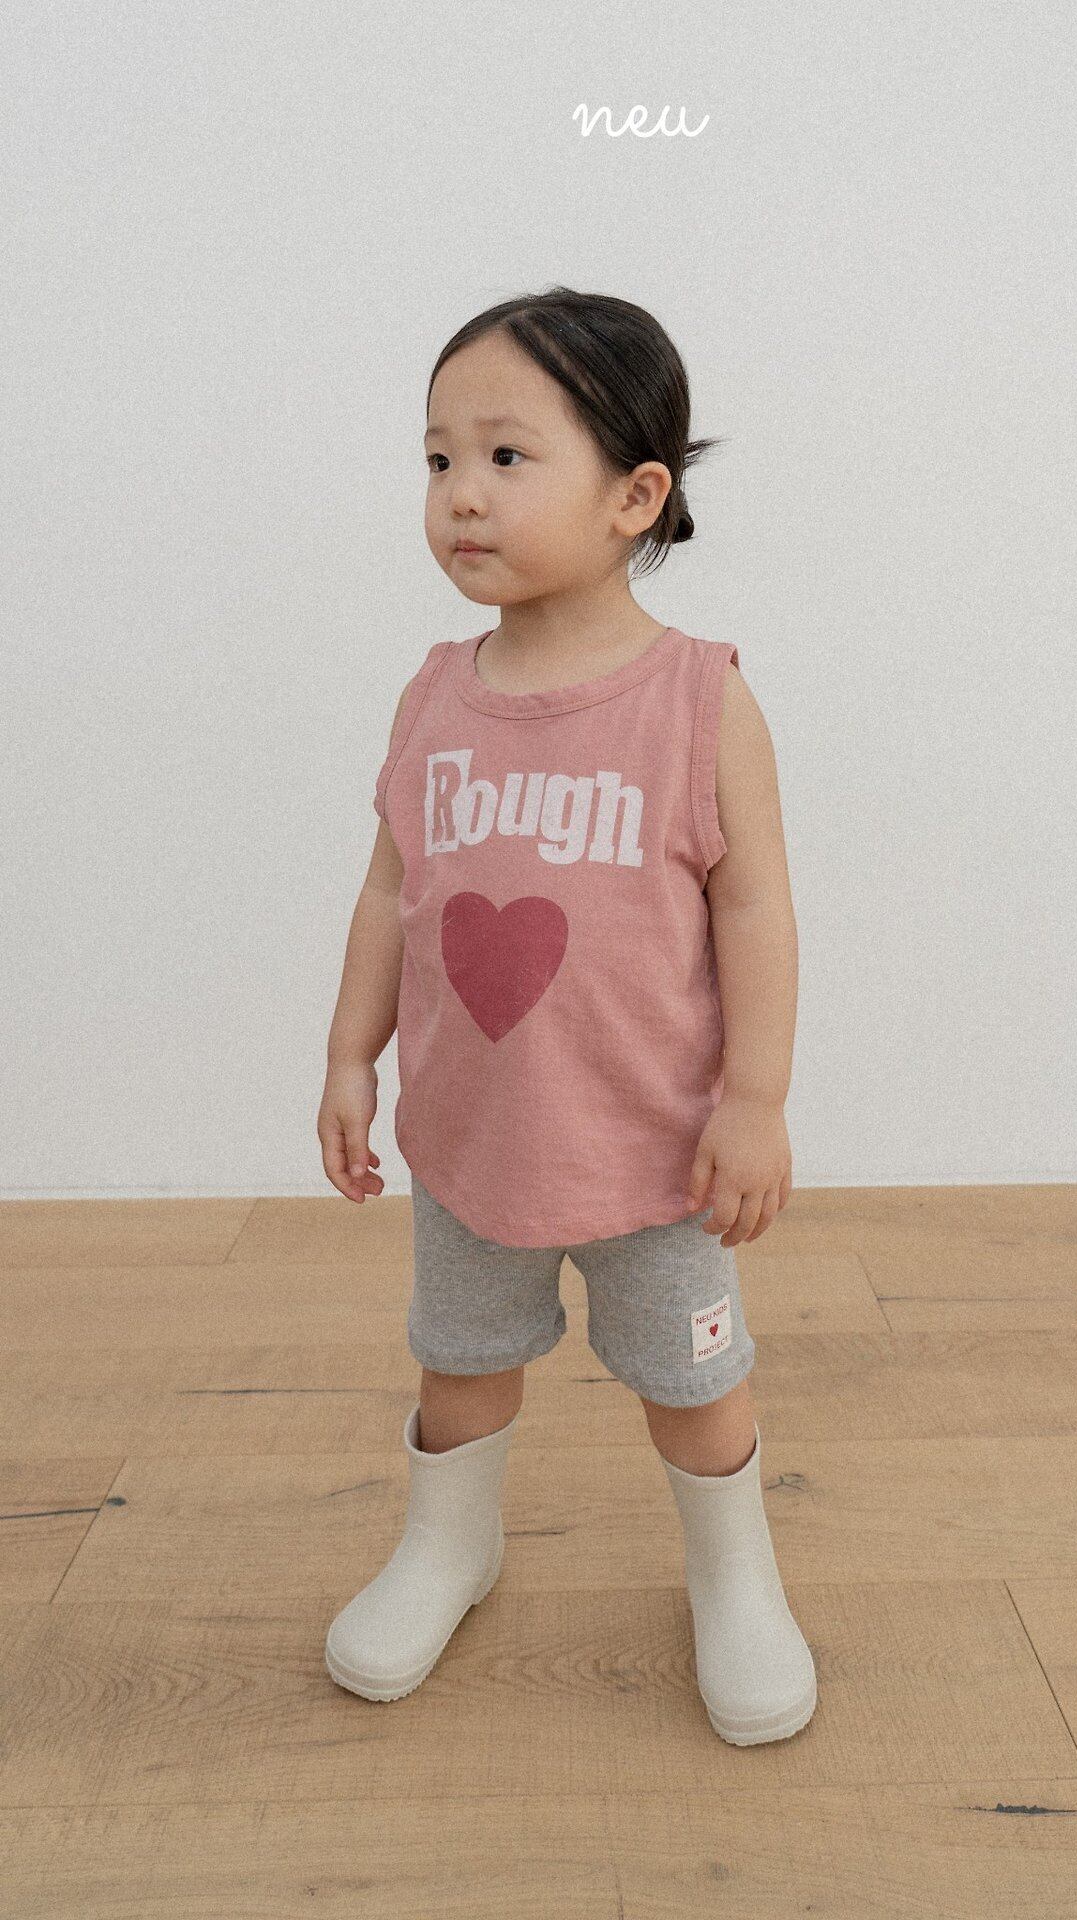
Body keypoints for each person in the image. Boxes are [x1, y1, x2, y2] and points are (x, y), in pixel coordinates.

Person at [318, 286, 816, 1746]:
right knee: (461, 1359)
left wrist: (756, 1101)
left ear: (634, 496)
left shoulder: (699, 702)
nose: (461, 495)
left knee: (694, 1383)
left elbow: (757, 911)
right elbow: (390, 889)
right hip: (472, 1142)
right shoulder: (434, 696)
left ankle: (734, 1576)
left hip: (658, 1156)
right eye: (437, 460)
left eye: (506, 457)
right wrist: (350, 1056)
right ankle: (448, 1544)